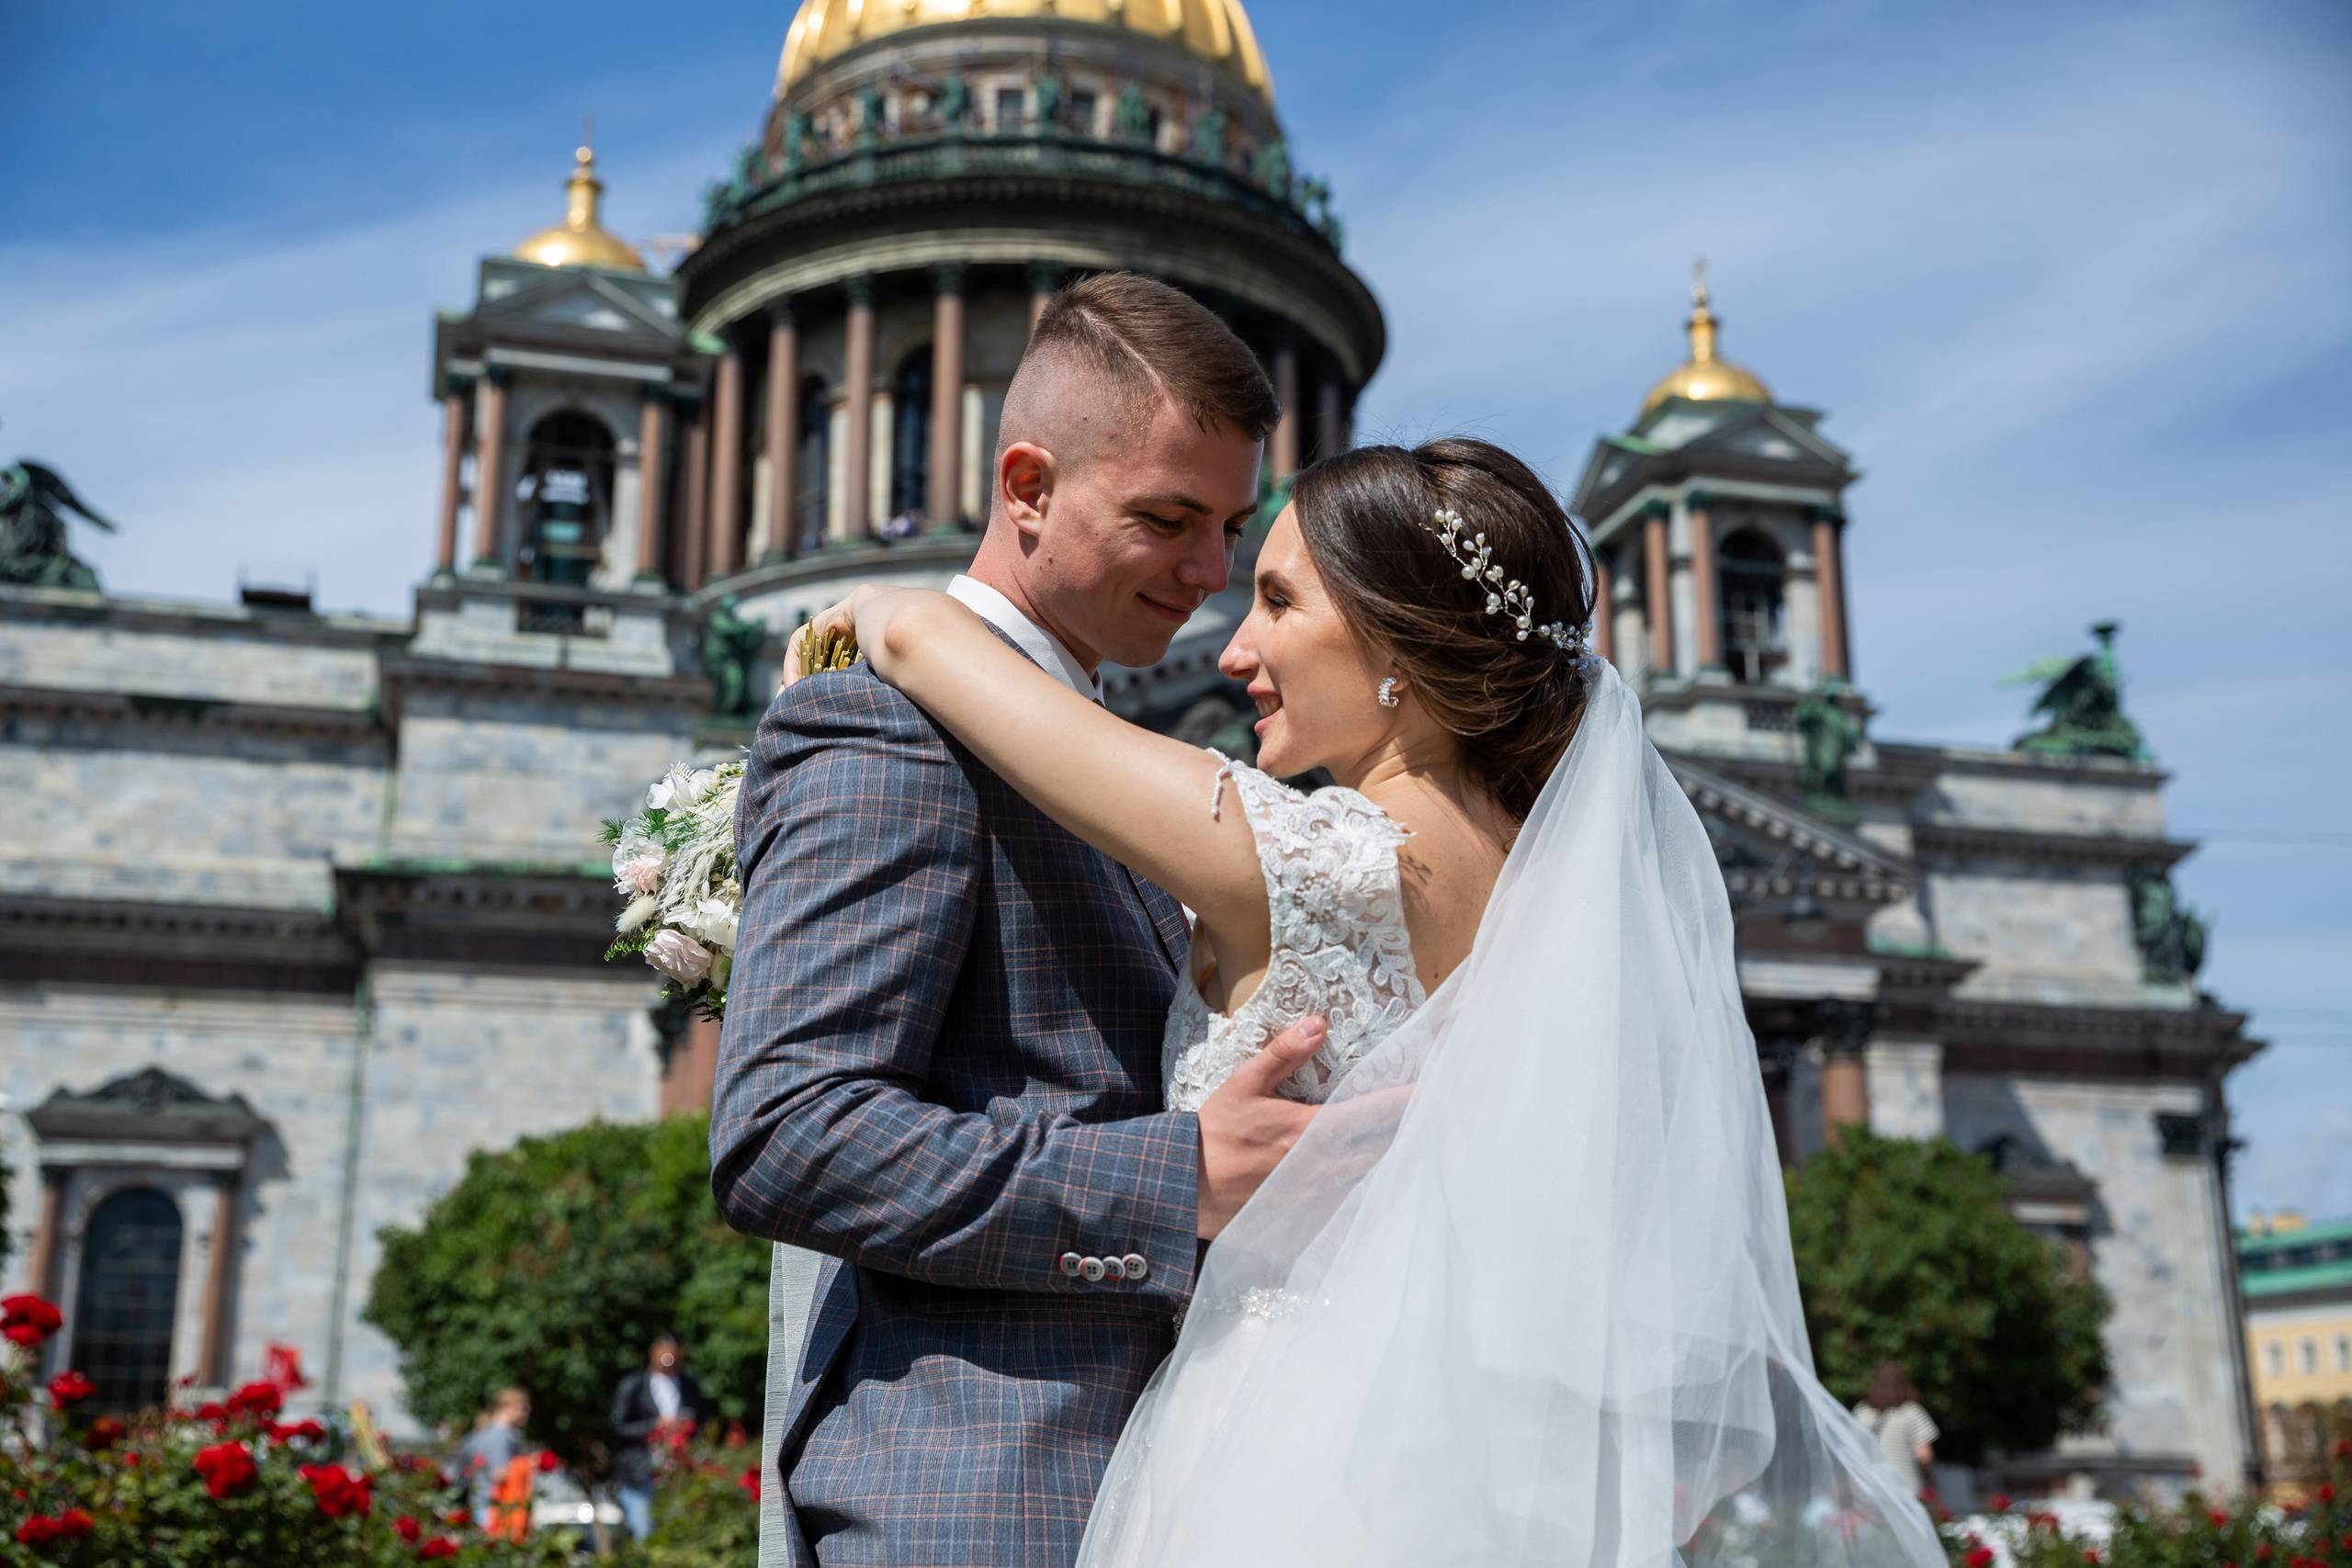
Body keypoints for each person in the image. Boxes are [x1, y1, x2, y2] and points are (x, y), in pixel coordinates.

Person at [792, 434, 1949, 1568]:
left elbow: (943, 652)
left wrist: (883, 607)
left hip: (1281, 1454)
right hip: (1465, 1466)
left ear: (1396, 642)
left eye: (1279, 602)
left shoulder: (1319, 861)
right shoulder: (1552, 890)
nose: (1234, 646)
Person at [710, 272, 1329, 1568]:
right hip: (983, 1496)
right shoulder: (882, 716)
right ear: (1029, 484)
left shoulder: (1100, 749)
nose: (1210, 573)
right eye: (1168, 517)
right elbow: (787, 1129)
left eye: (1228, 525)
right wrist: (1176, 1176)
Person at [611, 1333, 706, 1541]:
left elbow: (701, 1422)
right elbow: (617, 1426)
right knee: (644, 1535)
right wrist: (653, 1426)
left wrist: (685, 1427)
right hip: (641, 1474)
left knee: (678, 1535)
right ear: (652, 1352)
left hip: (678, 1473)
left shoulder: (689, 1386)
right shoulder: (633, 1385)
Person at [1855, 1360, 1941, 1495]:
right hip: (1904, 1487)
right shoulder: (1910, 1411)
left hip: (1869, 1488)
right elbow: (1924, 1455)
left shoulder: (1861, 1412)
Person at [451, 1387, 529, 1530]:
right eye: (522, 1408)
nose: (526, 1412)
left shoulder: (479, 1434)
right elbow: (499, 1474)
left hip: (480, 1504)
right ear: (506, 1407)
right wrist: (531, 1464)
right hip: (496, 1509)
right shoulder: (503, 1435)